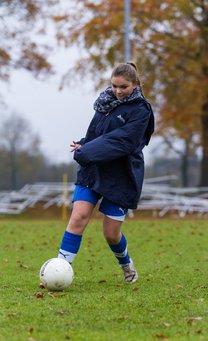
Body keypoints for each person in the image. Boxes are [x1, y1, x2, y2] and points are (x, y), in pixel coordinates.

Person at [57, 62, 154, 284]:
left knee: (111, 233)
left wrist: (87, 151)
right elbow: (97, 134)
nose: (118, 91)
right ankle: (61, 269)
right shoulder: (105, 102)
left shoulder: (141, 110)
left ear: (135, 84)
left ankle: (126, 264)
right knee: (78, 217)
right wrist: (83, 144)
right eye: (114, 86)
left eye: (124, 86)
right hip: (94, 169)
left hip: (121, 175)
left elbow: (123, 141)